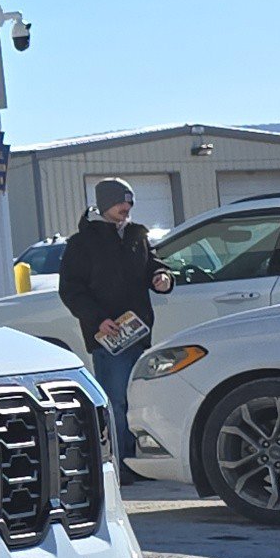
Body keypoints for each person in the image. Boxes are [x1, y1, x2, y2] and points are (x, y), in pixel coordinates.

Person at [58, 178, 172, 472]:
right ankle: (118, 466)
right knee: (115, 401)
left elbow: (154, 265)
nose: (126, 207)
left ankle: (138, 463)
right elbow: (71, 290)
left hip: (139, 334)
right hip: (108, 338)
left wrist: (161, 277)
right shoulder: (82, 243)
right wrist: (97, 319)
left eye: (130, 201)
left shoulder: (137, 235)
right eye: (121, 201)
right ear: (105, 203)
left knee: (138, 400)